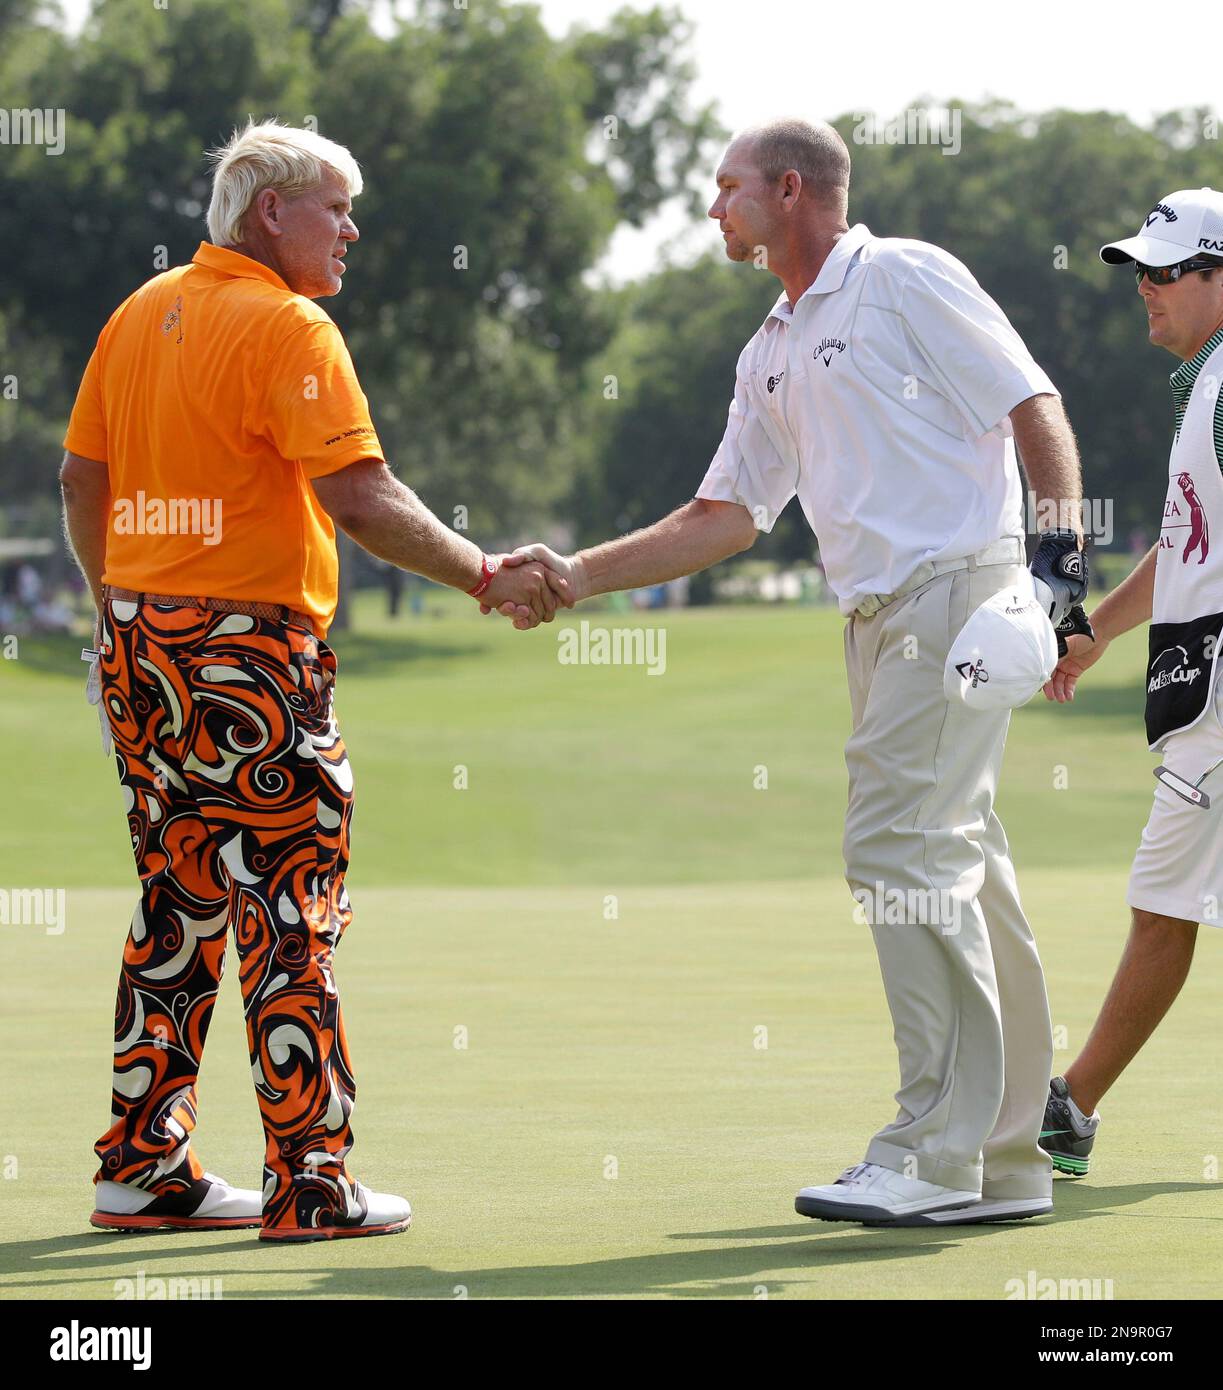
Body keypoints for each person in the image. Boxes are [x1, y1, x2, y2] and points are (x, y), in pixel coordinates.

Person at [512, 118, 1087, 1225]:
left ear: (788, 188)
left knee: (898, 848)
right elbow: (722, 514)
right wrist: (573, 577)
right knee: (967, 861)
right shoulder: (768, 346)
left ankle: (933, 1148)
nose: (710, 208)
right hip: (875, 623)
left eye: (724, 188)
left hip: (955, 596)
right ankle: (1006, 1155)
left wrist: (1056, 569)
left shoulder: (899, 276)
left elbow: (1031, 402)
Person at [59, 120, 566, 1243]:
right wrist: (486, 573)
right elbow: (363, 498)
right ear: (267, 211)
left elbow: (80, 479)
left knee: (179, 906)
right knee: (292, 909)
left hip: (141, 648)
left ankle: (140, 1168)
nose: (351, 228)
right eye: (334, 206)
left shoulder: (139, 313)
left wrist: (114, 610)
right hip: (247, 656)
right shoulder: (288, 322)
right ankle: (314, 1184)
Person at [1041, 189, 1223, 1177]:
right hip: (1198, 686)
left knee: (1162, 896)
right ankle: (1071, 1104)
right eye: (1138, 273)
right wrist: (1093, 633)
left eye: (1163, 273)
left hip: (1217, 694)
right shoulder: (1200, 388)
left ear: (1215, 277)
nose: (1143, 291)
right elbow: (1181, 544)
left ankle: (1068, 1107)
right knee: (1166, 899)